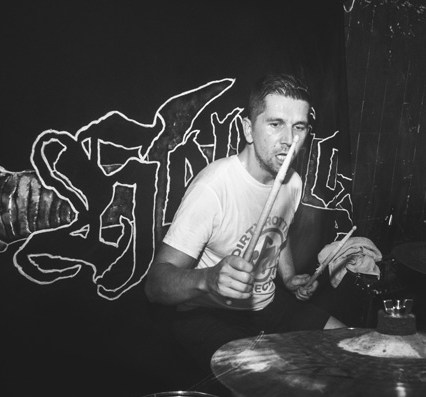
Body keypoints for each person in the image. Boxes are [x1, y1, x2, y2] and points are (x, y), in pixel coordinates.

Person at [145, 73, 344, 377]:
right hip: (209, 315)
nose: (289, 140)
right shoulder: (213, 188)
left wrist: (289, 276)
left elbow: (278, 233)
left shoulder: (292, 182)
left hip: (267, 305)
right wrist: (208, 279)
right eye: (276, 124)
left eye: (299, 127)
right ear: (248, 129)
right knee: (275, 386)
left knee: (349, 346)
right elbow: (155, 285)